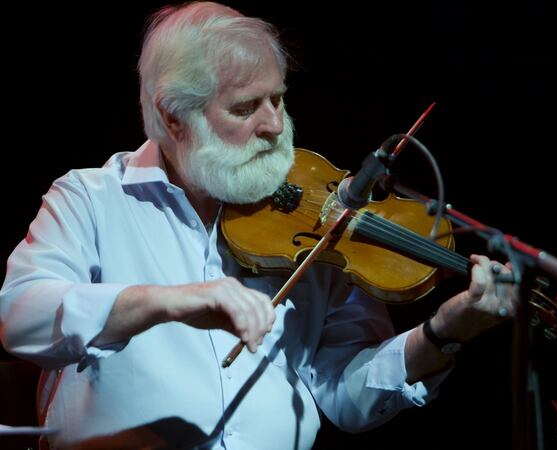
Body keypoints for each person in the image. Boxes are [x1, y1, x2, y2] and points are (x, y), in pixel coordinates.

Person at [0, 2, 519, 449]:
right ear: (173, 116)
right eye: (245, 107)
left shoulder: (314, 222)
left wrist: (442, 333)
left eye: (278, 98)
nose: (273, 124)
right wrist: (166, 302)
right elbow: (21, 317)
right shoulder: (92, 199)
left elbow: (345, 396)